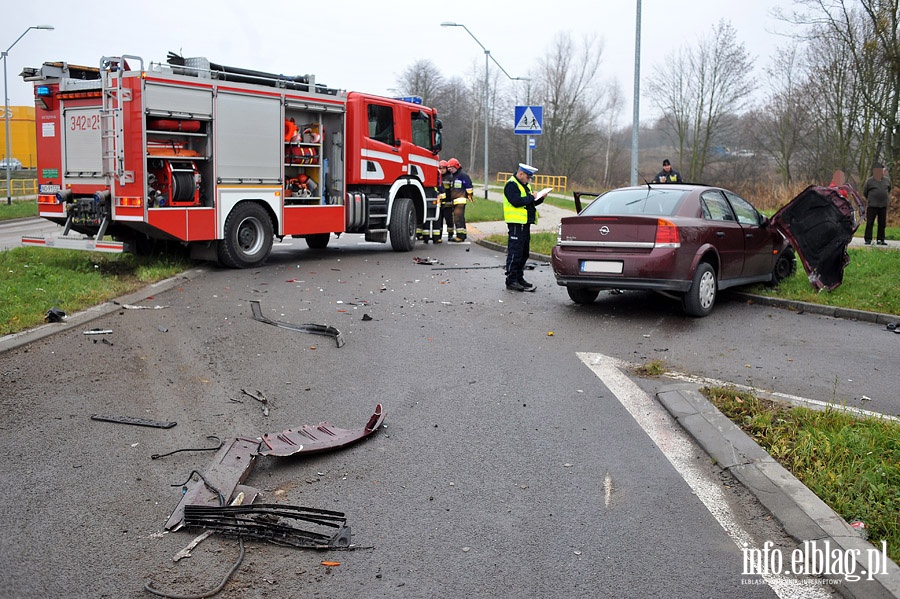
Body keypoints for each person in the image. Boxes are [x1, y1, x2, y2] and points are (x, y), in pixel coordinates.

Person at [503, 163, 544, 291]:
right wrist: (531, 197)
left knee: (523, 253)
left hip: (525, 223)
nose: (529, 180)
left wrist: (540, 198)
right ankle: (511, 280)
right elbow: (517, 202)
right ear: (520, 174)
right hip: (516, 223)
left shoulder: (525, 186)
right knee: (515, 252)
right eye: (528, 177)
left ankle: (519, 277)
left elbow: (530, 202)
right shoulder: (511, 185)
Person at [863, 162, 891, 246]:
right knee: (870, 222)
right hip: (872, 205)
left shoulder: (887, 180)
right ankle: (868, 239)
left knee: (882, 223)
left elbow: (889, 189)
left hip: (883, 205)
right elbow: (865, 192)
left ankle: (880, 239)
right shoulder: (869, 181)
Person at [446, 158, 474, 242]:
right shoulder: (453, 176)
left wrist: (469, 196)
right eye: (449, 168)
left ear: (457, 167)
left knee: (458, 218)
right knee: (459, 218)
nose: (450, 169)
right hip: (455, 201)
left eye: (452, 168)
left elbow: (469, 187)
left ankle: (460, 236)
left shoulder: (462, 175)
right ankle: (462, 235)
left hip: (460, 200)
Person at [433, 160, 455, 243]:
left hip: (447, 203)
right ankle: (438, 237)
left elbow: (452, 190)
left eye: (443, 168)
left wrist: (449, 198)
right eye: (440, 168)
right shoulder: (437, 177)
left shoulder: (450, 178)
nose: (441, 170)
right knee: (438, 220)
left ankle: (450, 235)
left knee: (449, 220)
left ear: (447, 168)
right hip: (439, 203)